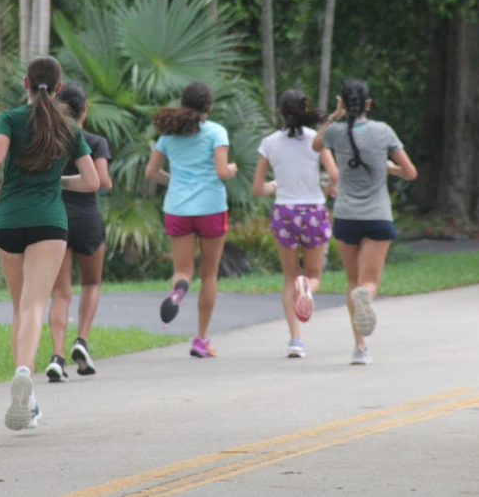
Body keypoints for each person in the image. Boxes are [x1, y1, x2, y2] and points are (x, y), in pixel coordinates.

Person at [0, 56, 99, 430]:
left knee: (18, 307)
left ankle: (28, 396)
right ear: (59, 88)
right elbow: (92, 182)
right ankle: (25, 373)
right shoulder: (69, 127)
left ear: (25, 83)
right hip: (49, 223)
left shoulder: (10, 118)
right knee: (33, 307)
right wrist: (58, 182)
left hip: (9, 221)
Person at [312, 79, 417, 365]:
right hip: (377, 217)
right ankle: (365, 296)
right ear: (368, 104)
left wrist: (334, 115)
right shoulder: (383, 131)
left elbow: (315, 143)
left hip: (347, 216)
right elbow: (411, 173)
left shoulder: (335, 132)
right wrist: (390, 169)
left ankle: (360, 347)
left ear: (343, 104)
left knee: (352, 280)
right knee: (368, 283)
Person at [144, 81, 237, 358]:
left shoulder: (169, 136)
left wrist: (174, 181)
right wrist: (232, 169)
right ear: (209, 106)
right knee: (209, 274)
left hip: (178, 207)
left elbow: (152, 172)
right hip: (210, 208)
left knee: (183, 270)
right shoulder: (216, 133)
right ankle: (201, 339)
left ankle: (179, 288)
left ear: (184, 104)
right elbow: (222, 171)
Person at [252, 89, 338, 359]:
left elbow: (257, 189)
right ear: (304, 109)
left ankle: (295, 340)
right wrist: (328, 189)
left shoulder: (268, 143)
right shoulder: (316, 139)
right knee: (312, 275)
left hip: (285, 211)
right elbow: (334, 175)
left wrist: (275, 185)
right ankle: (308, 291)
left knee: (290, 276)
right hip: (313, 209)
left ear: (279, 112)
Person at [45, 84, 113, 383]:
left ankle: (57, 357)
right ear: (85, 110)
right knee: (91, 283)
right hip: (87, 218)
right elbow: (102, 181)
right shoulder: (95, 141)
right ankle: (81, 341)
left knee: (60, 293)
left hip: (56, 219)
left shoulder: (49, 142)